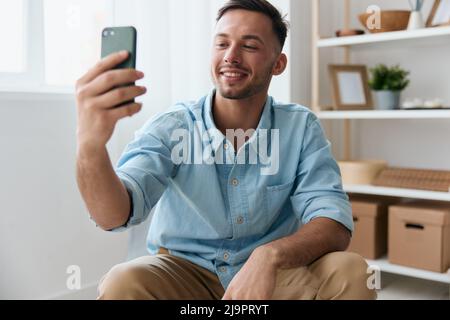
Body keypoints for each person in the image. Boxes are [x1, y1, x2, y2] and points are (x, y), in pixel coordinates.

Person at [75, 0, 376, 300]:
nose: (231, 57)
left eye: (249, 46)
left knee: (352, 271)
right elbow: (112, 216)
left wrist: (268, 256)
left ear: (278, 63)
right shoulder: (172, 125)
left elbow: (334, 224)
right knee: (122, 281)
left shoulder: (301, 127)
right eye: (222, 44)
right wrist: (90, 145)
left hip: (273, 279)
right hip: (186, 275)